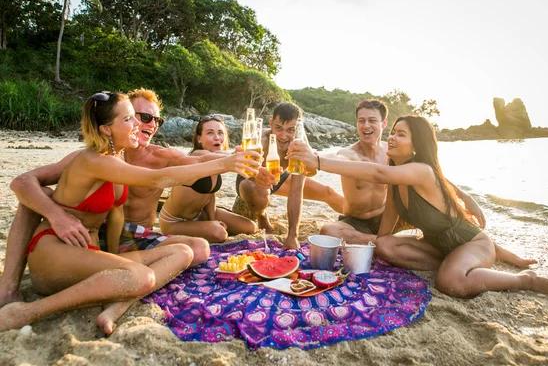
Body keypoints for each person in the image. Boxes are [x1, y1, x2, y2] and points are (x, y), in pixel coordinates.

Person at [0, 92, 260, 333]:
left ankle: (119, 300)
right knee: (36, 197)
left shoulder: (123, 157)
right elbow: (159, 178)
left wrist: (229, 158)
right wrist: (57, 216)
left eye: (154, 119)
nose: (144, 124)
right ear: (107, 128)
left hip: (99, 244)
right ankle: (17, 300)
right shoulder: (93, 158)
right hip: (60, 246)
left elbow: (194, 160)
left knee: (187, 251)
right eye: (135, 118)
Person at [288, 115, 548, 298]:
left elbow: (377, 173)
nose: (392, 139)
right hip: (438, 247)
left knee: (451, 283)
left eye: (401, 135)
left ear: (416, 145)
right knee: (385, 246)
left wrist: (317, 161)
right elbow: (384, 236)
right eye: (393, 133)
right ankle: (452, 265)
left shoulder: (421, 171)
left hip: (470, 244)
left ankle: (524, 280)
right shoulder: (398, 183)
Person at [319, 100, 534, 268]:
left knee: (445, 219)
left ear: (383, 124)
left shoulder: (394, 150)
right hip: (360, 222)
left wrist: (465, 197)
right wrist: (315, 159)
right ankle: (386, 244)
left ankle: (494, 249)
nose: (366, 126)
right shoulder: (348, 155)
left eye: (372, 120)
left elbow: (431, 175)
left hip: (396, 216)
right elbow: (364, 169)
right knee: (328, 230)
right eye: (361, 120)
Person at [234, 102, 344, 249]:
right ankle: (261, 216)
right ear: (271, 123)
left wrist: (293, 235)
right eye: (278, 128)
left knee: (328, 192)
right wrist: (254, 170)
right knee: (261, 191)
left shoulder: (300, 146)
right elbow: (234, 163)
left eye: (290, 130)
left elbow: (296, 191)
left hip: (280, 177)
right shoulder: (260, 141)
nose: (284, 136)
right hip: (252, 179)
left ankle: (361, 216)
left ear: (298, 128)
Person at [159, 115, 257, 241]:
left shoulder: (218, 160)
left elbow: (211, 194)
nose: (217, 137)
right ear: (199, 139)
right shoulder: (197, 156)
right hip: (174, 222)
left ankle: (206, 225)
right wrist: (236, 154)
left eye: (220, 133)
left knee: (250, 227)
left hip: (200, 214)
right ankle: (206, 227)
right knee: (219, 234)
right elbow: (215, 158)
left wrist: (212, 219)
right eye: (210, 133)